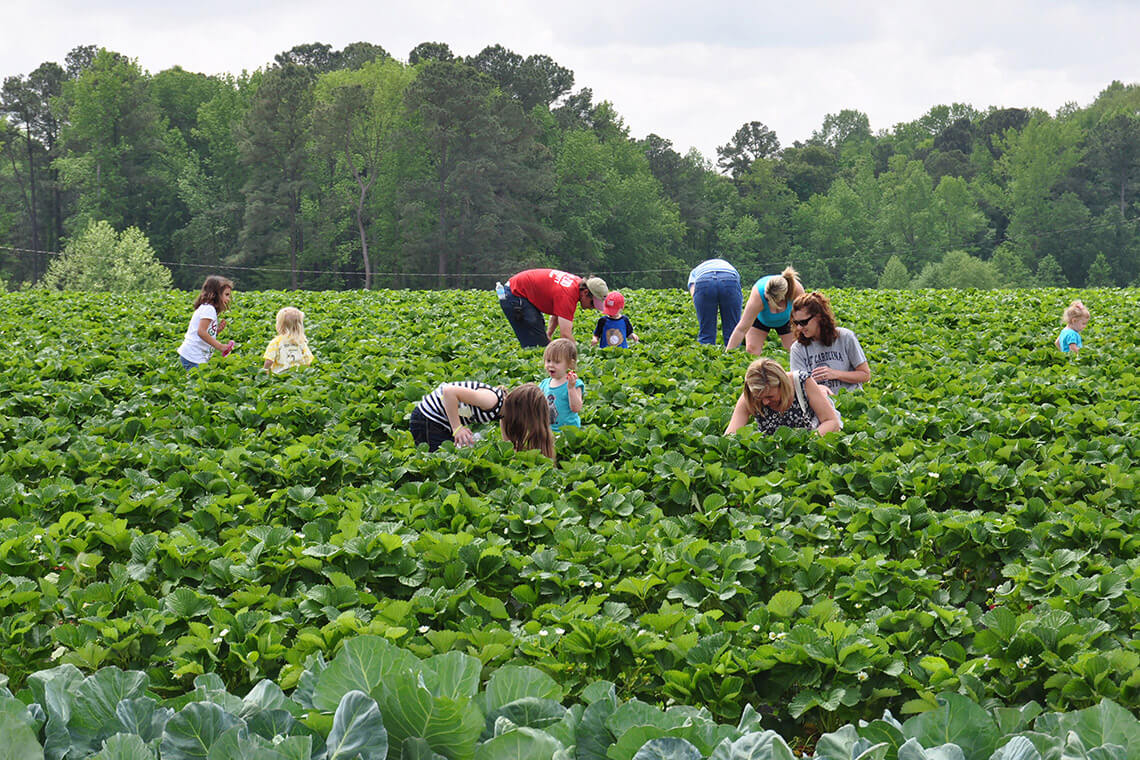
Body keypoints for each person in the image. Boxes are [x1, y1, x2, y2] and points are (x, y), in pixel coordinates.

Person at [409, 381, 555, 460]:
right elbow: (449, 392)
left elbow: (505, 435)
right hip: (427, 418)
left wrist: (511, 452)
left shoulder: (503, 410)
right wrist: (457, 428)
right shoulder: (491, 400)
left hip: (441, 422)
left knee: (449, 455)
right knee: (436, 460)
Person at [725, 357, 840, 436]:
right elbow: (731, 435)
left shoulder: (801, 382)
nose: (765, 402)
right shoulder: (750, 396)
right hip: (774, 456)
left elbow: (831, 421)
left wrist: (807, 442)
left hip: (809, 449)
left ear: (783, 385)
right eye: (759, 398)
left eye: (770, 396)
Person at [499, 268, 608, 347]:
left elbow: (558, 313)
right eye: (592, 303)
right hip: (514, 295)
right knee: (536, 345)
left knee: (541, 338)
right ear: (585, 292)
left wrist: (549, 334)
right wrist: (579, 355)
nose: (592, 308)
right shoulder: (568, 294)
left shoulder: (576, 284)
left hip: (519, 293)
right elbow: (565, 335)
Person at [788, 292, 870, 396]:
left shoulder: (845, 337)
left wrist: (835, 374)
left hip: (851, 399)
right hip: (820, 405)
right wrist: (818, 389)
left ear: (819, 317)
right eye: (796, 323)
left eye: (803, 322)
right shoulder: (798, 348)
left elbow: (865, 375)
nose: (799, 328)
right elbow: (798, 385)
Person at [724, 266, 805, 354]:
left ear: (782, 298)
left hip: (787, 320)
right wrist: (727, 354)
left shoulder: (796, 291)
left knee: (795, 351)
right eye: (766, 299)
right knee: (752, 350)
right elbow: (741, 329)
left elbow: (805, 320)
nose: (767, 302)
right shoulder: (758, 295)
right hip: (760, 320)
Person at [177, 275, 235, 369]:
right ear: (215, 295)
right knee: (199, 382)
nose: (228, 299)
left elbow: (204, 332)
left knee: (199, 381)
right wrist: (220, 346)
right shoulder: (209, 309)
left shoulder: (207, 308)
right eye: (226, 295)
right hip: (193, 357)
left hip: (194, 356)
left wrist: (216, 331)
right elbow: (201, 332)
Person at [687, 258, 741, 345]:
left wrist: (703, 308)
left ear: (703, 263)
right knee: (732, 331)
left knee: (706, 333)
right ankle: (732, 355)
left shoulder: (696, 270)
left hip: (703, 280)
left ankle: (707, 353)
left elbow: (693, 290)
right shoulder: (727, 265)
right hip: (729, 279)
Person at [539, 338, 584, 431]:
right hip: (547, 431)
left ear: (570, 364)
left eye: (557, 362)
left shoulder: (574, 384)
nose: (551, 365)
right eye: (548, 360)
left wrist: (571, 388)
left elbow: (576, 408)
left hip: (569, 431)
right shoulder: (544, 384)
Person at [262, 307, 314, 374]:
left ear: (280, 326)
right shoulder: (301, 342)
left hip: (279, 375)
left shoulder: (276, 342)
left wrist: (264, 371)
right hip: (298, 374)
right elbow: (308, 361)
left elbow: (269, 360)